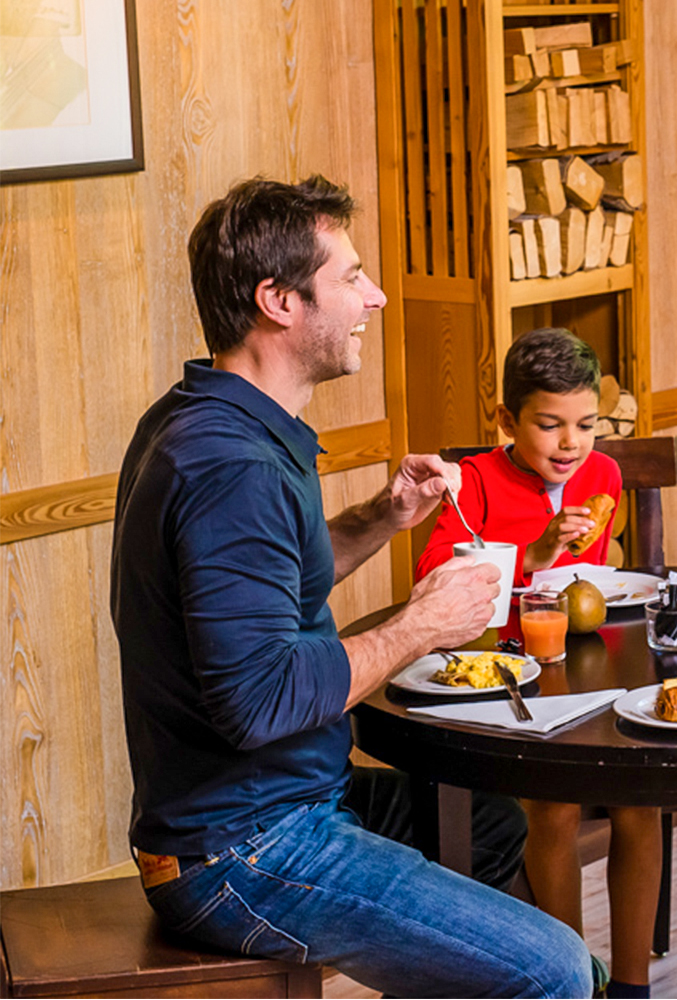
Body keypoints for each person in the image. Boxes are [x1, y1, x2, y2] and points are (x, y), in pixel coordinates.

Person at [110, 175, 591, 999]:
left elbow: (261, 594)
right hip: (243, 849)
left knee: (488, 823)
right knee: (556, 970)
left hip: (271, 808)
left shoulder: (208, 418)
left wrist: (383, 517)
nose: (375, 298)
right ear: (279, 301)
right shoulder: (231, 466)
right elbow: (259, 699)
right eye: (350, 277)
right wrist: (421, 625)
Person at [416, 327, 659, 999]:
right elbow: (434, 578)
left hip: (595, 665)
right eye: (549, 426)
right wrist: (536, 554)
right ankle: (572, 978)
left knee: (641, 804)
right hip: (509, 674)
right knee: (552, 811)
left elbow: (594, 591)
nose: (570, 444)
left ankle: (633, 987)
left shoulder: (602, 474)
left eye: (585, 425)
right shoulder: (476, 485)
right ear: (506, 420)